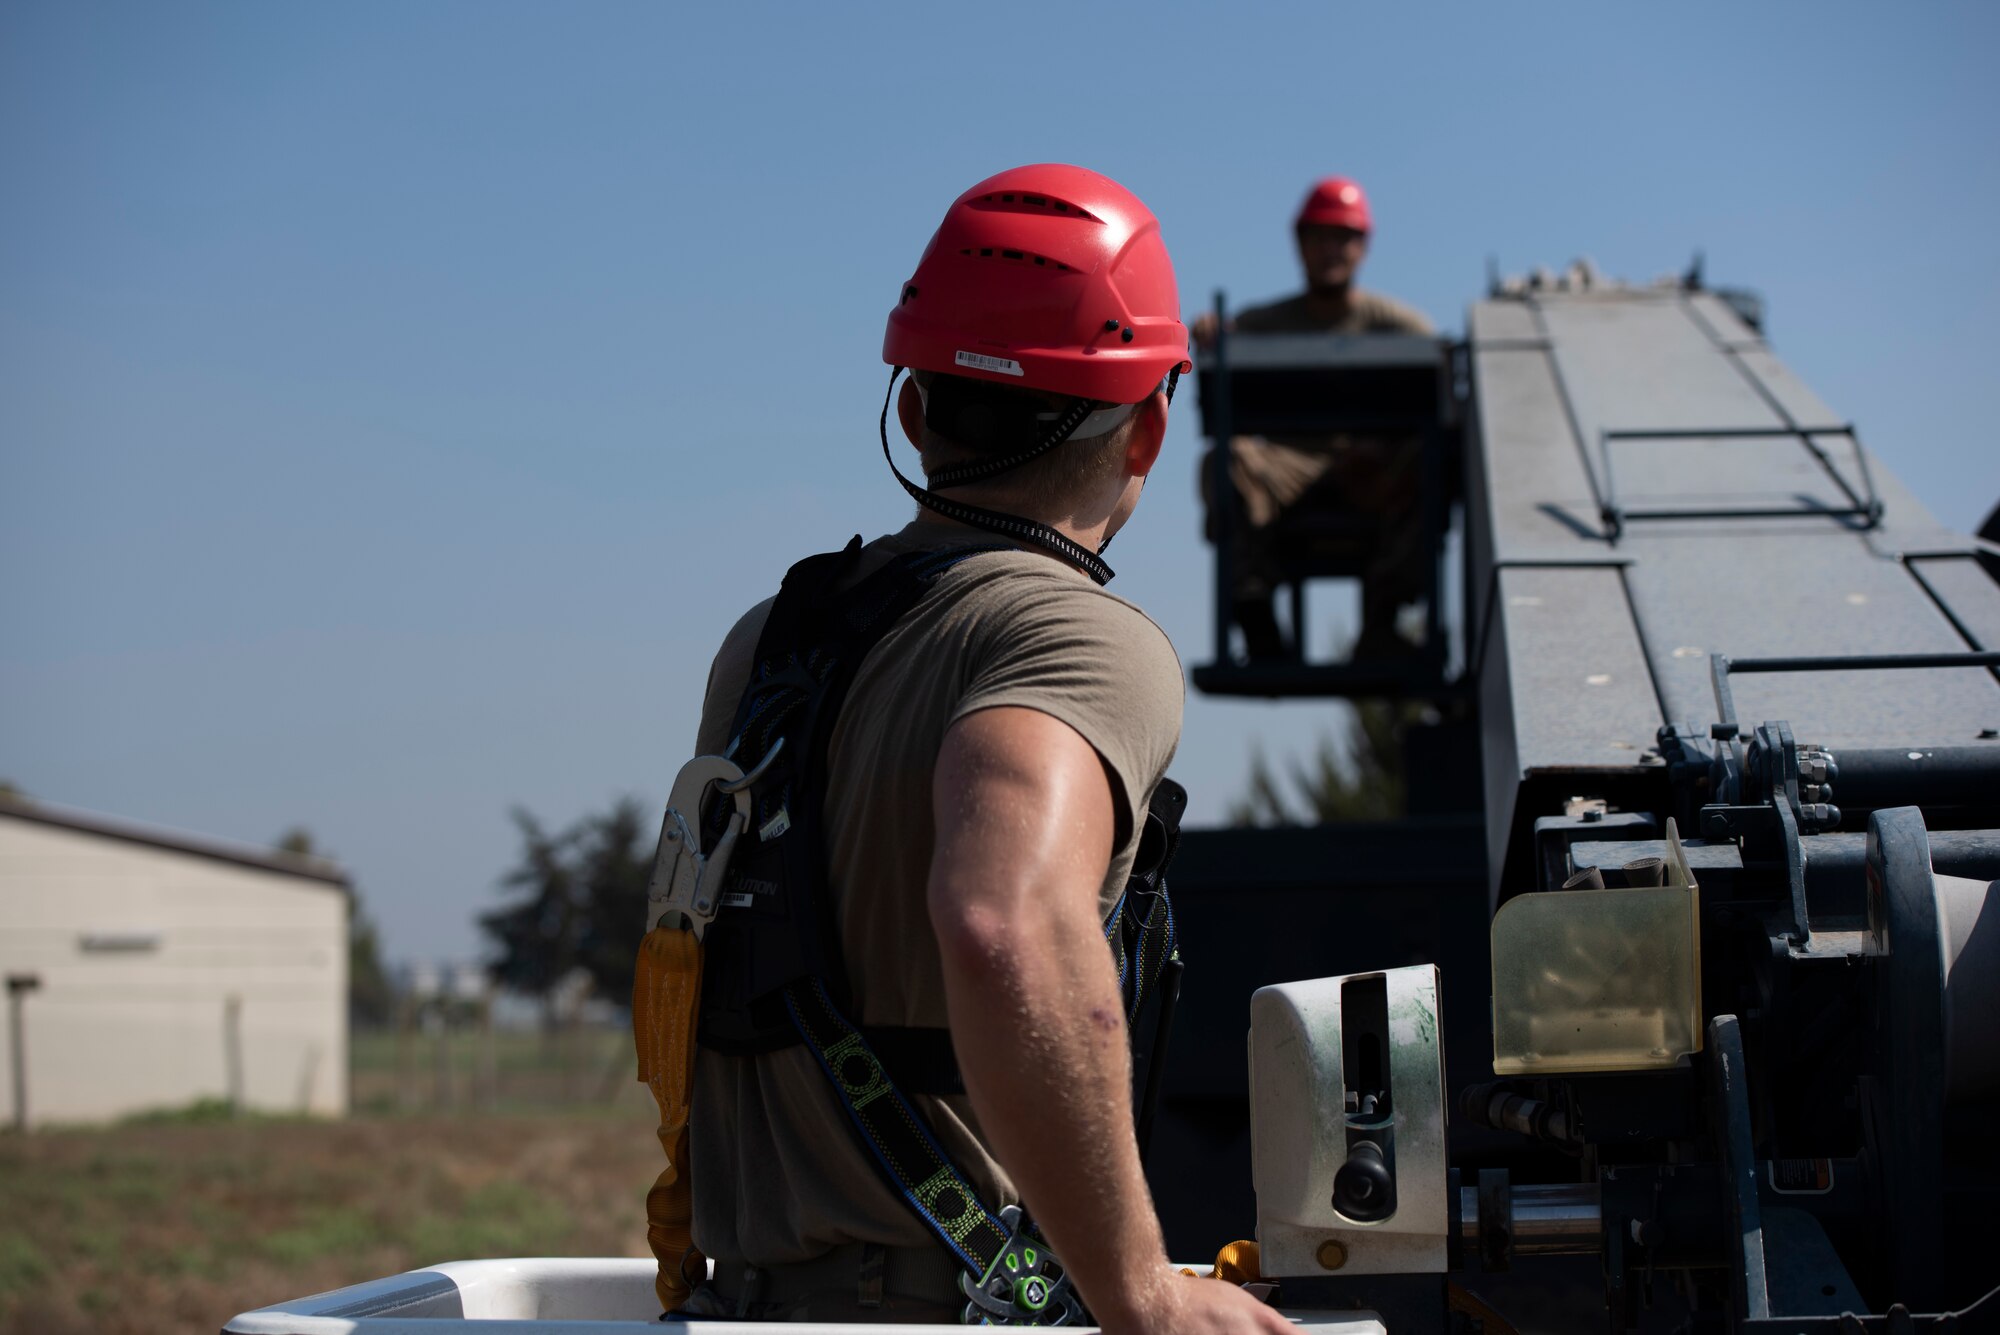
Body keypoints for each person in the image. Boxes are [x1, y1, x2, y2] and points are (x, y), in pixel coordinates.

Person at [666, 164, 1291, 1334]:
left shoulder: (770, 641)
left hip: (736, 1304)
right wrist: (1139, 1292)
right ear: (1149, 424)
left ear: (913, 407)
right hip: (932, 1312)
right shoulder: (1076, 639)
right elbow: (1003, 918)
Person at [1194, 176, 1435, 661]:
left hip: (1367, 470)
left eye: (1343, 237)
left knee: (1428, 460)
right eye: (1319, 236)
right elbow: (1224, 344)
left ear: (1362, 248)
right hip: (1289, 466)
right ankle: (1255, 614)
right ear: (1300, 245)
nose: (1330, 249)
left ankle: (1382, 624)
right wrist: (1210, 334)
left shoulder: (1397, 325)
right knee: (1228, 461)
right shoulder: (1265, 323)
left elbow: (1434, 376)